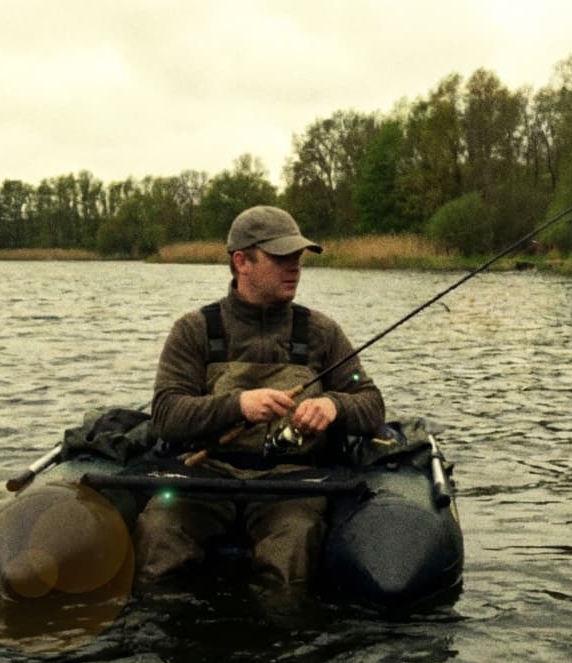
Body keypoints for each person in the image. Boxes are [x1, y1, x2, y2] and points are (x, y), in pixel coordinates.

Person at [134, 205, 385, 589]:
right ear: (241, 262)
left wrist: (335, 405)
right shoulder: (194, 330)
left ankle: (282, 634)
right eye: (281, 257)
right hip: (204, 478)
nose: (295, 267)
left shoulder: (322, 332)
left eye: (298, 257)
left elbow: (370, 402)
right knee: (160, 534)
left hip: (293, 483)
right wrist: (239, 405)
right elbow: (167, 413)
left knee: (291, 550)